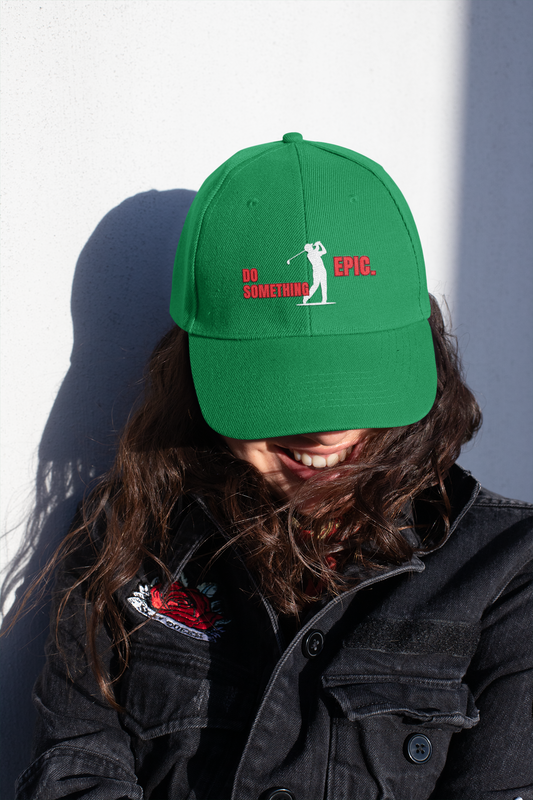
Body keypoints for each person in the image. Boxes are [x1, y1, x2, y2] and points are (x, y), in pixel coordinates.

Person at [14, 132, 532, 800]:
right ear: (194, 372)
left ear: (420, 352)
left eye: (354, 384)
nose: (324, 427)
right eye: (279, 387)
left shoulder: (506, 573)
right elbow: (77, 763)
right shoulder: (126, 540)